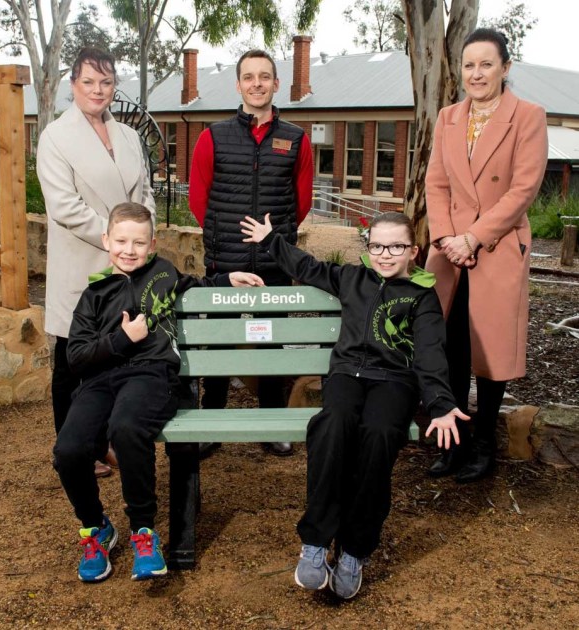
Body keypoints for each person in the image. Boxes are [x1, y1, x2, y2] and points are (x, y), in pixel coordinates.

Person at [241, 211, 469, 600]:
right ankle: (315, 543)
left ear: (413, 251)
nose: (384, 254)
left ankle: (354, 550)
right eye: (377, 246)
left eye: (395, 246)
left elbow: (431, 353)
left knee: (379, 436)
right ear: (369, 248)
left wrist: (440, 402)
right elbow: (307, 266)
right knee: (332, 426)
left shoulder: (422, 296)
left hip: (394, 383)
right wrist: (270, 240)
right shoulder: (352, 278)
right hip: (347, 375)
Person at [54, 202, 263, 582]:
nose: (128, 250)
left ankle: (142, 530)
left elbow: (193, 285)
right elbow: (76, 357)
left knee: (127, 428)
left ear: (152, 244)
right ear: (106, 240)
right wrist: (122, 338)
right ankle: (95, 527)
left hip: (151, 376)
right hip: (100, 380)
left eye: (138, 242)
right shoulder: (95, 293)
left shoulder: (163, 272)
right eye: (120, 241)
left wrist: (228, 278)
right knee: (68, 450)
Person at [425, 28, 548, 483]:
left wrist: (474, 238)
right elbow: (435, 184)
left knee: (489, 350)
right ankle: (451, 441)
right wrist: (444, 238)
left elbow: (523, 190)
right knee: (448, 345)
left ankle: (484, 446)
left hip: (494, 246)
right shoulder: (447, 117)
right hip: (449, 250)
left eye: (486, 64)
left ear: (505, 68)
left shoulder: (529, 116)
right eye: (469, 65)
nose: (476, 74)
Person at [188, 48, 314, 457]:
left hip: (276, 262)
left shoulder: (296, 139)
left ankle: (273, 425)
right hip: (226, 261)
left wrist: (273, 238)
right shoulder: (213, 136)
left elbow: (302, 201)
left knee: (272, 348)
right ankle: (211, 424)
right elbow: (198, 199)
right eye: (249, 77)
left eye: (265, 76)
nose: (257, 83)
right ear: (238, 84)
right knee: (218, 346)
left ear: (276, 84)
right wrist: (227, 236)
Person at [37, 47, 156, 476]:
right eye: (88, 82)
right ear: (73, 85)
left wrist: (140, 236)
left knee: (115, 356)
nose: (98, 90)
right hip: (82, 262)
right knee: (73, 359)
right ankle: (72, 449)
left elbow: (145, 194)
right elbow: (63, 207)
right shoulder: (54, 137)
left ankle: (103, 440)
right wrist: (113, 239)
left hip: (127, 265)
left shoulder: (128, 136)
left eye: (106, 82)